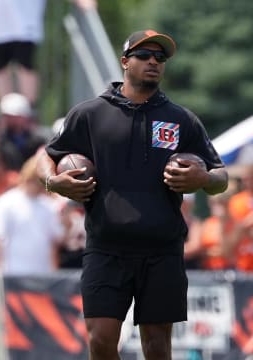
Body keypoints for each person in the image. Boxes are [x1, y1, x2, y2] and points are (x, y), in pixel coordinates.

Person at [36, 29, 228, 360]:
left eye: (160, 58)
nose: (153, 61)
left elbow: (221, 177)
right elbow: (46, 156)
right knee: (101, 338)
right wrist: (54, 183)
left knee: (157, 345)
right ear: (125, 62)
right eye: (144, 55)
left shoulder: (181, 120)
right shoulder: (91, 113)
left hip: (162, 249)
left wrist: (203, 177)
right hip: (106, 247)